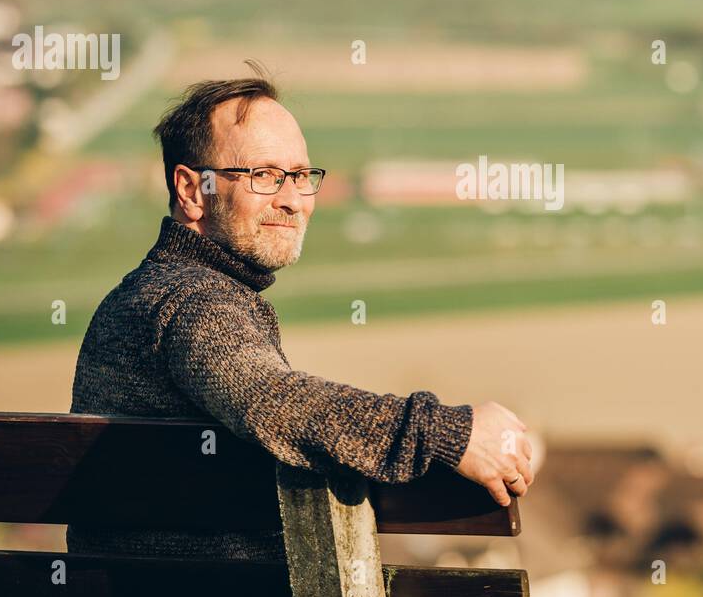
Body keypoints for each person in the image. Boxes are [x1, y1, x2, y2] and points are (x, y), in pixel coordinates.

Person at [66, 65, 533, 560]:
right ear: (190, 190)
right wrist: (448, 433)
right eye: (264, 176)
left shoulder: (158, 292)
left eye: (300, 176)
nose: (293, 200)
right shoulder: (188, 301)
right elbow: (273, 402)